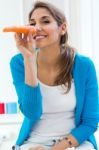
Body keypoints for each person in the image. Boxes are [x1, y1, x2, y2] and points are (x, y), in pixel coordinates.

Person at [10, 1, 99, 150]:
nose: (37, 28)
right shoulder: (19, 62)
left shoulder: (84, 65)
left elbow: (90, 122)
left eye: (45, 21)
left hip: (75, 143)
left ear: (62, 28)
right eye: (32, 23)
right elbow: (32, 112)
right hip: (34, 143)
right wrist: (29, 60)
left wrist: (54, 149)